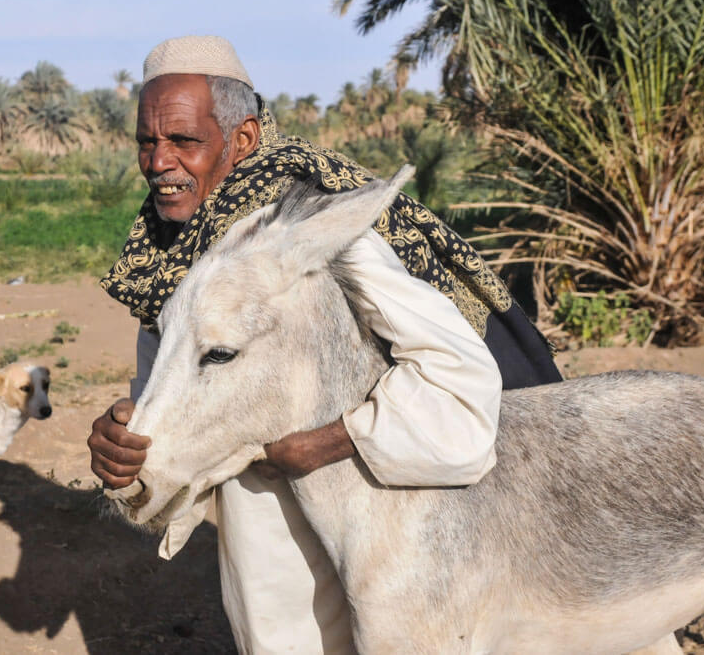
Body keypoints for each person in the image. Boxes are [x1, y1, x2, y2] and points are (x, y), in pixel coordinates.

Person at [89, 35, 562, 654]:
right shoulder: (168, 250)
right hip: (258, 534)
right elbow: (166, 393)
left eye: (183, 140)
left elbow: (460, 373)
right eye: (147, 142)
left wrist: (323, 442)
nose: (158, 162)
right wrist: (124, 447)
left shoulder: (314, 231)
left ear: (244, 139)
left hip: (380, 517)